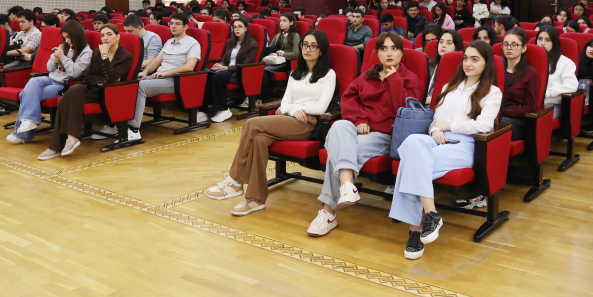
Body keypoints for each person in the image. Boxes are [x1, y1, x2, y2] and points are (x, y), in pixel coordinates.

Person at [391, 40, 503, 259]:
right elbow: (436, 120)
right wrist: (435, 130)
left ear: (486, 63)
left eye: (475, 59)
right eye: (465, 58)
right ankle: (431, 214)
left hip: (466, 144)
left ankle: (415, 231)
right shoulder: (449, 87)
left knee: (410, 164)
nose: (468, 63)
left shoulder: (492, 92)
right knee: (413, 142)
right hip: (437, 139)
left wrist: (449, 127)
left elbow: (484, 125)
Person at [205, 31, 337, 215]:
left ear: (321, 50)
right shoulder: (296, 72)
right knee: (259, 140)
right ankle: (256, 199)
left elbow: (321, 107)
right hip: (290, 118)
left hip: (307, 122)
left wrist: (298, 108)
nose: (307, 49)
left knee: (252, 124)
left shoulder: (328, 74)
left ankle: (235, 181)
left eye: (313, 46)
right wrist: (293, 109)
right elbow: (285, 103)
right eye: (305, 44)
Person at [306, 32, 422, 237]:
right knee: (339, 126)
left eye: (394, 48)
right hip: (360, 129)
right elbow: (348, 99)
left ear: (402, 53)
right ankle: (347, 186)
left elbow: (404, 109)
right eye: (383, 49)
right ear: (377, 53)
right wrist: (360, 119)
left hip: (387, 135)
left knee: (338, 150)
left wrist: (394, 79)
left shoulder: (409, 78)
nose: (389, 53)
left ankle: (328, 212)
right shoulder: (368, 76)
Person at [37, 24, 134, 160]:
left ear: (118, 36)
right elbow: (88, 76)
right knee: (70, 93)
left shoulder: (126, 56)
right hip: (90, 87)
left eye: (109, 34)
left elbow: (111, 79)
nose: (105, 38)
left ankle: (57, 146)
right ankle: (69, 139)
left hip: (108, 93)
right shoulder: (96, 52)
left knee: (66, 99)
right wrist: (102, 79)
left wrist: (105, 56)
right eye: (102, 35)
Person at [120, 13, 205, 142]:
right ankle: (119, 124)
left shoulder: (193, 44)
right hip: (159, 78)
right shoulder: (169, 42)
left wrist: (167, 73)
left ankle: (134, 130)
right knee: (127, 83)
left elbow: (190, 66)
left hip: (176, 80)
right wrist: (145, 72)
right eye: (171, 23)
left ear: (186, 27)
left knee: (141, 87)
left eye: (177, 24)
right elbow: (156, 61)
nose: (173, 26)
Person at [7, 20, 93, 144]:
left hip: (65, 84)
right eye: (65, 37)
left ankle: (23, 133)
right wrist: (55, 62)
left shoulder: (86, 52)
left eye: (69, 37)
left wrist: (63, 58)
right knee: (33, 81)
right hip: (51, 78)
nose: (67, 40)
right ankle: (29, 122)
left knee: (25, 94)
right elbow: (49, 68)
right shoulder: (62, 46)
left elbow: (75, 72)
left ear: (77, 35)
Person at [203, 17, 258, 123]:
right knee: (207, 74)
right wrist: (219, 65)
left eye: (240, 27)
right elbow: (225, 59)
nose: (237, 29)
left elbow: (245, 64)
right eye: (235, 27)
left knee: (217, 77)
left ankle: (223, 109)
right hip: (227, 70)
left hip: (238, 73)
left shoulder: (252, 44)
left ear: (246, 28)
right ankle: (203, 110)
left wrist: (226, 68)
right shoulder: (230, 42)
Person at [498, 29, 539, 142]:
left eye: (514, 45)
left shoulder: (530, 73)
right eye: (505, 44)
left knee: (493, 125)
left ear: (524, 48)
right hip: (494, 113)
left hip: (517, 119)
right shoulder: (496, 69)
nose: (509, 48)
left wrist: (502, 112)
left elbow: (530, 107)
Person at [536, 26, 578, 119]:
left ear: (554, 42)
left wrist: (547, 93)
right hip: (530, 104)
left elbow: (571, 86)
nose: (542, 43)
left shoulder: (565, 63)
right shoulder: (530, 60)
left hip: (552, 104)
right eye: (540, 39)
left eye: (547, 40)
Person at [261, 12, 300, 100]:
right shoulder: (279, 35)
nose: (281, 23)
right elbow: (269, 48)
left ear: (291, 22)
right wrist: (272, 53)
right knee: (259, 68)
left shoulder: (295, 35)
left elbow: (296, 53)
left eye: (284, 21)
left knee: (266, 70)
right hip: (276, 60)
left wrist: (283, 54)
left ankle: (264, 97)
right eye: (280, 21)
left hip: (287, 62)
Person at [424, 29, 463, 105]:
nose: (443, 45)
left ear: (457, 48)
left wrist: (433, 100)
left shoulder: (462, 70)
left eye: (449, 43)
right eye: (441, 42)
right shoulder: (428, 65)